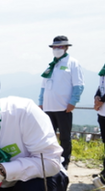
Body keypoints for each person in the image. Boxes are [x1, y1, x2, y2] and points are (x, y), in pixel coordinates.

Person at [39, 35, 84, 170]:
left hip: (63, 107)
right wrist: (41, 101)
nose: (56, 49)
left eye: (60, 47)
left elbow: (79, 85)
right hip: (48, 107)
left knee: (65, 136)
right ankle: (52, 159)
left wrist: (73, 102)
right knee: (49, 136)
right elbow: (43, 86)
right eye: (54, 47)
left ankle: (65, 162)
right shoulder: (51, 65)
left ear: (66, 47)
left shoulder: (72, 63)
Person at [92, 62, 105, 191]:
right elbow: (101, 86)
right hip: (102, 112)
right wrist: (97, 98)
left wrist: (101, 100)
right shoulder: (103, 68)